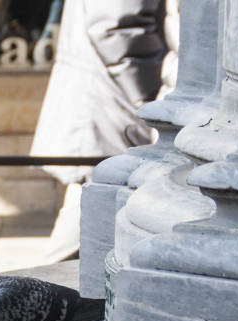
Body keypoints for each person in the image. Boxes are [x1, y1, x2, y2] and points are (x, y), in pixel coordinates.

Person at [30, 0, 168, 263]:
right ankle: (28, 299)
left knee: (90, 221)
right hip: (112, 104)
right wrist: (151, 99)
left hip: (108, 103)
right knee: (88, 222)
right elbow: (118, 29)